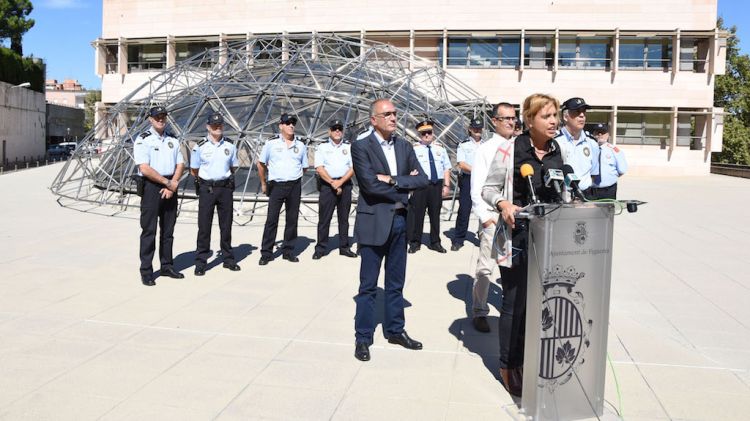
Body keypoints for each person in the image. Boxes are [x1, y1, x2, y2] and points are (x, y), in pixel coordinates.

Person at [482, 94, 564, 397]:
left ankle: (531, 358)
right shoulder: (510, 150)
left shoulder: (558, 152)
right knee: (515, 304)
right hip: (517, 238)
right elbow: (488, 189)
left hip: (550, 239)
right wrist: (503, 203)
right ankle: (508, 364)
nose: (554, 121)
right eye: (546, 116)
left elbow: (562, 191)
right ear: (529, 121)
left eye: (555, 114)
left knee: (540, 303)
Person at [351, 98, 429, 362]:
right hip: (374, 222)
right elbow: (370, 186)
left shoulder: (405, 146)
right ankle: (363, 338)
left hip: (399, 221)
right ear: (374, 120)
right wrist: (404, 186)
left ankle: (396, 330)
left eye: (395, 113)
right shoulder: (361, 146)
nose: (394, 118)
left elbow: (423, 179)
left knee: (396, 284)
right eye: (387, 114)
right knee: (368, 286)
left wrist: (395, 180)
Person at [468, 103, 517, 333]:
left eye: (513, 118)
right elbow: (477, 188)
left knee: (512, 266)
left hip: (514, 218)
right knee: (485, 268)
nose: (511, 122)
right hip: (492, 218)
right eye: (505, 118)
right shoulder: (485, 149)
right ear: (494, 121)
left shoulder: (518, 146)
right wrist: (486, 218)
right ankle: (479, 311)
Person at [133, 106, 185, 286]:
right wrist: (166, 183)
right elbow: (144, 168)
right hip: (152, 187)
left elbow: (180, 164)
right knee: (149, 230)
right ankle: (146, 270)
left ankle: (167, 265)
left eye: (163, 117)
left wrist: (172, 184)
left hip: (171, 186)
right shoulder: (143, 139)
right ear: (150, 119)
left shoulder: (173, 139)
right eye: (157, 117)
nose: (160, 119)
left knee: (168, 231)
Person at [190, 112, 241, 276]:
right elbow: (194, 170)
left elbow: (233, 167)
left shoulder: (230, 145)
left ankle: (228, 259)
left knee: (226, 226)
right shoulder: (200, 146)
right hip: (207, 189)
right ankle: (201, 262)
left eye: (219, 125)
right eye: (214, 125)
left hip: (225, 188)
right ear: (208, 126)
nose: (217, 127)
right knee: (204, 227)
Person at [257, 113, 308, 265]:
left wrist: (293, 176)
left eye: (293, 123)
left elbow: (304, 167)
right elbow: (260, 164)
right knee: (272, 220)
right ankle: (266, 253)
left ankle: (288, 251)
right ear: (281, 125)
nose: (291, 125)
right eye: (287, 123)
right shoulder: (271, 144)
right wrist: (264, 183)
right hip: (276, 186)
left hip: (294, 186)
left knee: (292, 220)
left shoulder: (300, 145)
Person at [313, 119, 356, 259]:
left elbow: (353, 167)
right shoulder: (322, 147)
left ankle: (344, 247)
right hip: (327, 186)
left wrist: (341, 182)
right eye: (334, 129)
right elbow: (319, 168)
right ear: (329, 131)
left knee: (344, 219)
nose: (337, 131)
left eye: (339, 128)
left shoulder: (349, 147)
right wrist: (333, 182)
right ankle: (320, 248)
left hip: (345, 185)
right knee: (324, 219)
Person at [407, 120, 452, 254]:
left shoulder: (440, 149)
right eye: (423, 133)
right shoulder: (414, 150)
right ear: (419, 134)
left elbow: (446, 168)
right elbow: (409, 168)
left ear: (433, 133)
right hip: (420, 186)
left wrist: (446, 185)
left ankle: (435, 242)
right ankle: (415, 242)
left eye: (429, 132)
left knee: (435, 215)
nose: (427, 135)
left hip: (436, 185)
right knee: (418, 215)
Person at [554, 97, 600, 198]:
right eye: (577, 112)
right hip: (563, 197)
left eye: (584, 112)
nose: (582, 115)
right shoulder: (555, 142)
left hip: (586, 195)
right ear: (566, 117)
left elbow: (594, 173)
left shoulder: (592, 143)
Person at [450, 117, 484, 251]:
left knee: (484, 209)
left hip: (483, 180)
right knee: (464, 210)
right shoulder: (463, 145)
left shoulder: (486, 145)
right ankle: (458, 239)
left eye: (479, 128)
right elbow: (461, 164)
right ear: (470, 129)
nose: (477, 130)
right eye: (475, 128)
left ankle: (483, 238)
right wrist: (478, 170)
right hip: (468, 180)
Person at [590, 123, 628, 200]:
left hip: (608, 189)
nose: (600, 134)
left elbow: (622, 170)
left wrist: (610, 177)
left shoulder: (614, 150)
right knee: (590, 212)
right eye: (597, 132)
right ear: (593, 134)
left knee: (608, 211)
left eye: (603, 132)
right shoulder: (587, 149)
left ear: (607, 135)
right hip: (590, 190)